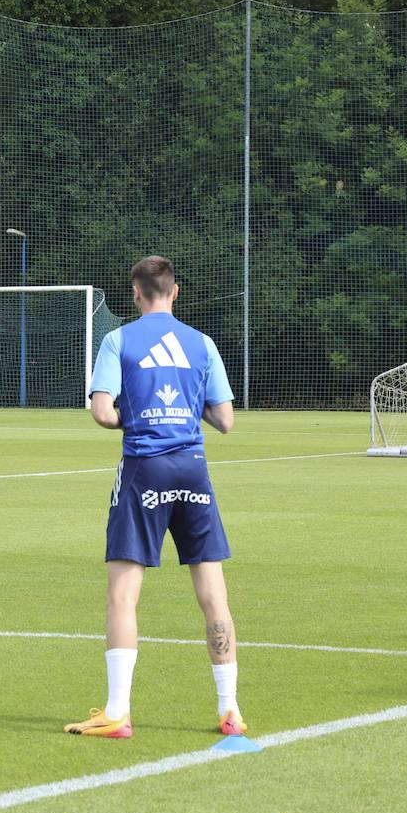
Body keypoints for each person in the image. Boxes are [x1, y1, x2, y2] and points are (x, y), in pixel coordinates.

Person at [65, 256, 245, 739]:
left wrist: (142, 417)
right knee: (213, 596)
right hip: (193, 468)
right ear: (175, 292)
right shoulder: (202, 344)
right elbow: (225, 420)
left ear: (136, 293)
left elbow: (102, 412)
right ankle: (230, 710)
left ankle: (118, 712)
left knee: (123, 594)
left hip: (145, 469)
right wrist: (183, 412)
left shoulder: (117, 339)